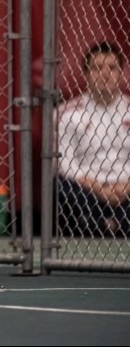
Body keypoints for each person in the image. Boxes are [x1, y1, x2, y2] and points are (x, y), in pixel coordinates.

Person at [56, 41, 130, 237]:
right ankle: (110, 224)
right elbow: (65, 162)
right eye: (97, 68)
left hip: (126, 190)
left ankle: (103, 225)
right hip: (87, 192)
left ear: (121, 74)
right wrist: (96, 187)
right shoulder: (68, 113)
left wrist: (126, 186)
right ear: (86, 74)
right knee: (59, 186)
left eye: (112, 68)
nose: (105, 74)